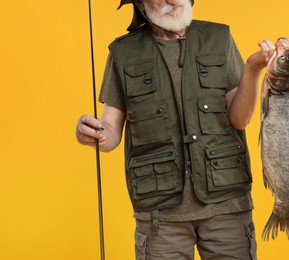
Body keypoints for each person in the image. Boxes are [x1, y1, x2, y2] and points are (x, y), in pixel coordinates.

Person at [76, 0, 275, 259]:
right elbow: (110, 132)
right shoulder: (123, 53)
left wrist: (252, 70)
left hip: (227, 207)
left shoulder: (219, 38)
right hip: (160, 216)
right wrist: (94, 133)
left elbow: (239, 120)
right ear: (140, 3)